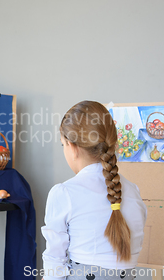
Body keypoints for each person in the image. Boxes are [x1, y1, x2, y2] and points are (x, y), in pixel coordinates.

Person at [41, 101, 147, 280]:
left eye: (63, 145)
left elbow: (54, 262)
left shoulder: (64, 193)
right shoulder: (133, 191)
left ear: (72, 147)